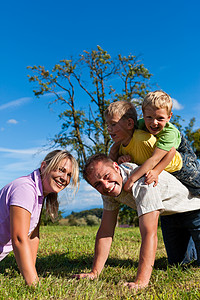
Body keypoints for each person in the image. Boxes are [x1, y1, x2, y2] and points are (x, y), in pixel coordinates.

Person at [74, 154, 200, 290]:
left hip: (194, 211)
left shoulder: (143, 183)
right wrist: (94, 272)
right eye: (97, 184)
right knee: (178, 263)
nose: (105, 185)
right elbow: (105, 231)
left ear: (116, 167)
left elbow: (149, 234)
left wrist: (141, 281)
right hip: (169, 216)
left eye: (106, 176)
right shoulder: (108, 191)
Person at [0, 149, 79, 286]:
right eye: (61, 170)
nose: (64, 178)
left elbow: (32, 236)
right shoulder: (25, 189)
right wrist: (34, 284)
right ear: (44, 166)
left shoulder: (38, 193)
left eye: (69, 175)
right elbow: (19, 238)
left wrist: (31, 271)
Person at [105, 95, 200, 195]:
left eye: (113, 124)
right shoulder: (139, 125)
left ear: (169, 117)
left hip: (180, 152)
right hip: (164, 145)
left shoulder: (169, 134)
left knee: (196, 185)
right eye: (149, 117)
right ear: (144, 115)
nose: (154, 122)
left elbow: (170, 152)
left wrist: (154, 172)